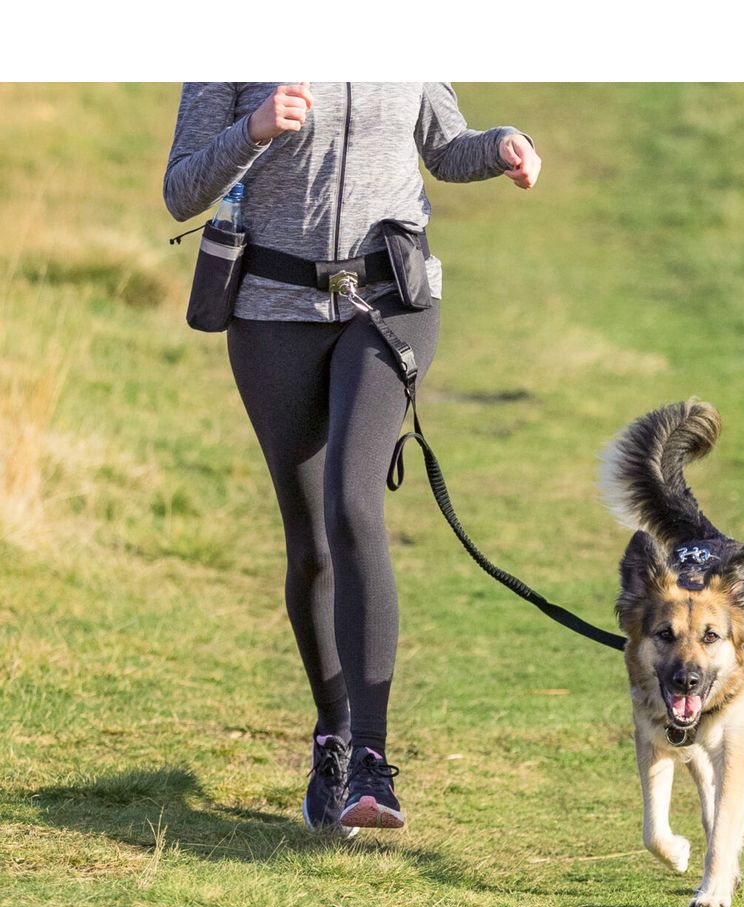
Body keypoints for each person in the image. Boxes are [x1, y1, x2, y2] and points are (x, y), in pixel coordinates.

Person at [164, 82, 540, 834]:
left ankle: (372, 760)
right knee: (310, 545)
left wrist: (500, 145)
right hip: (271, 312)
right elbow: (182, 191)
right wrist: (255, 129)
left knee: (353, 504)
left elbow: (444, 147)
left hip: (389, 298)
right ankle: (332, 733)